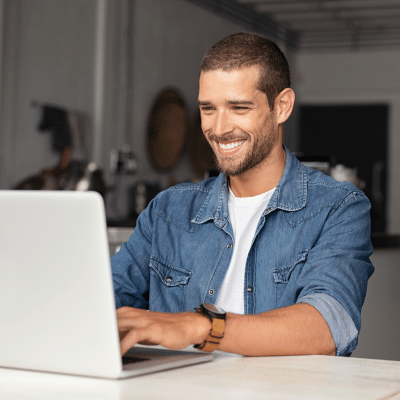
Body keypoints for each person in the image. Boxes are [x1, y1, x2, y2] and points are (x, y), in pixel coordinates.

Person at [113, 32, 374, 357]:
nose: (219, 128)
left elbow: (326, 327)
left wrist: (200, 326)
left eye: (239, 107)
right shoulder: (168, 210)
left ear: (281, 106)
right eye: (208, 108)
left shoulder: (337, 207)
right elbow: (100, 301)